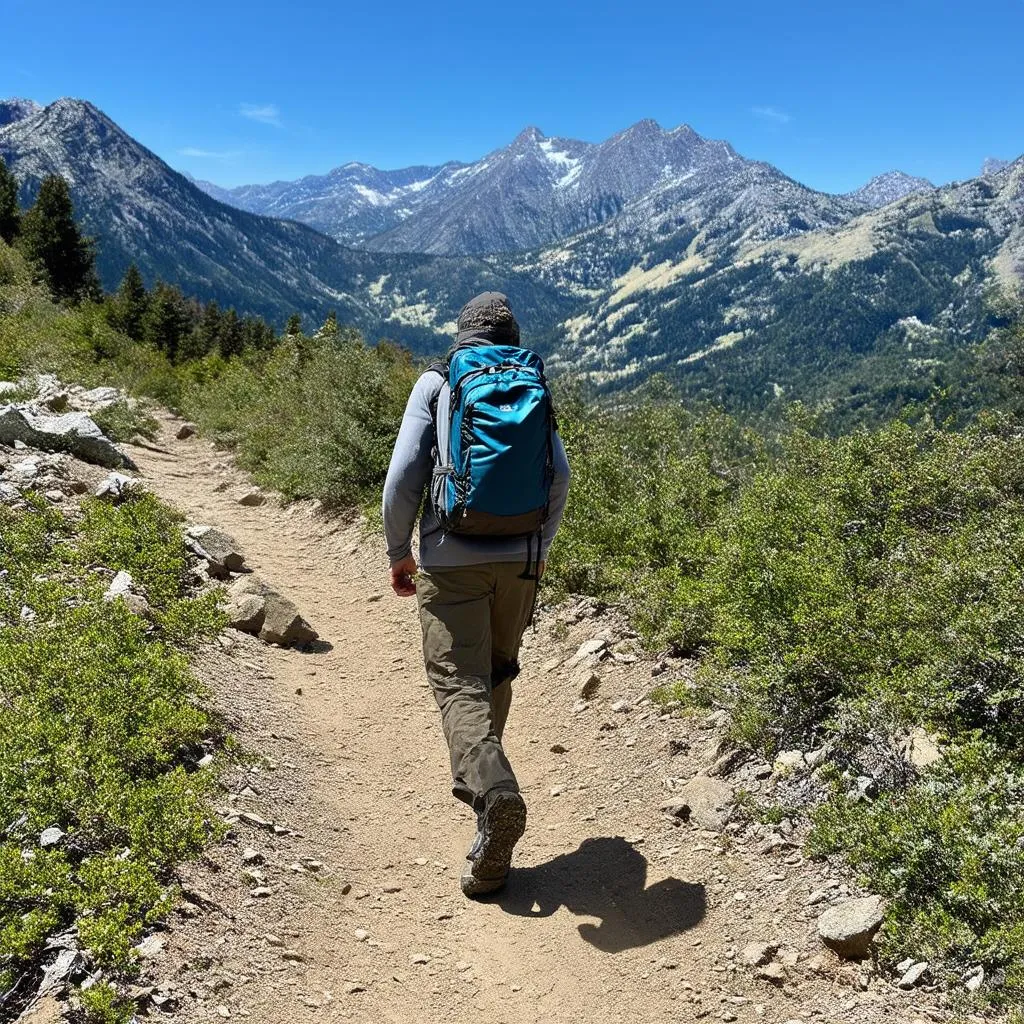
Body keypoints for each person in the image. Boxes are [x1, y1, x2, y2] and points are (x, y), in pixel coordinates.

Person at [383, 292, 571, 897]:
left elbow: (402, 478)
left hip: (451, 557)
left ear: (462, 333)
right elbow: (559, 475)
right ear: (511, 337)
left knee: (457, 683)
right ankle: (490, 799)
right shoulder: (530, 380)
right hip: (520, 559)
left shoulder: (437, 384)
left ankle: (494, 796)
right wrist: (536, 546)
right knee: (495, 673)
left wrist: (398, 552)